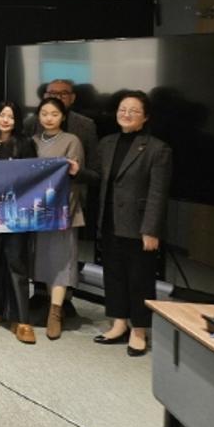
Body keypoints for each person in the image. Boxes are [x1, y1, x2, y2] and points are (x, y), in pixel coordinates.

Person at [93, 91, 172, 357]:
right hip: (109, 220)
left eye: (134, 110)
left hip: (139, 226)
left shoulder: (158, 149)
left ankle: (139, 330)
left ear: (145, 117)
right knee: (113, 274)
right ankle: (118, 324)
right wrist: (73, 170)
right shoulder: (107, 143)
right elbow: (96, 176)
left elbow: (158, 194)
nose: (126, 114)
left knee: (140, 279)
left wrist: (151, 229)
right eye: (122, 109)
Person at [0, 101, 36, 343]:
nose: (5, 120)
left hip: (16, 212)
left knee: (16, 263)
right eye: (2, 115)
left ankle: (21, 319)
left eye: (10, 117)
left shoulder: (25, 143)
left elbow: (34, 175)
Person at [31, 97, 84, 339]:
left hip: (62, 212)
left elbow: (74, 178)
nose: (49, 118)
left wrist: (66, 213)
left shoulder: (72, 141)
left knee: (61, 262)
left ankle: (55, 313)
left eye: (54, 114)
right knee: (43, 261)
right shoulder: (33, 141)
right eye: (44, 113)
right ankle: (49, 304)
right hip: (37, 212)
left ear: (63, 116)